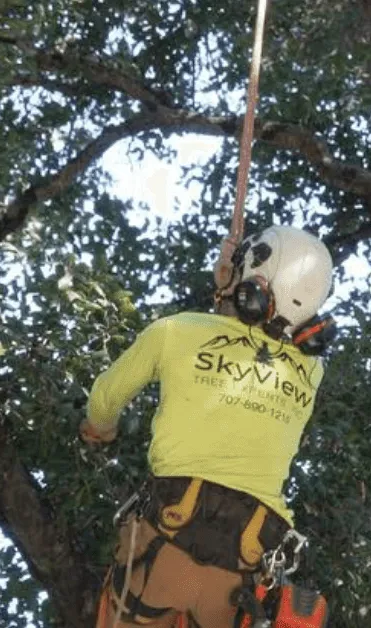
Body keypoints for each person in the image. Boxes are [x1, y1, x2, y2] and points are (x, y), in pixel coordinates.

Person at [81, 225, 338, 628]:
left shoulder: (176, 332)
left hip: (166, 544)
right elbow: (257, 333)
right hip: (245, 565)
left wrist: (100, 429)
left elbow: (103, 401)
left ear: (252, 281)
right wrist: (236, 280)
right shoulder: (312, 371)